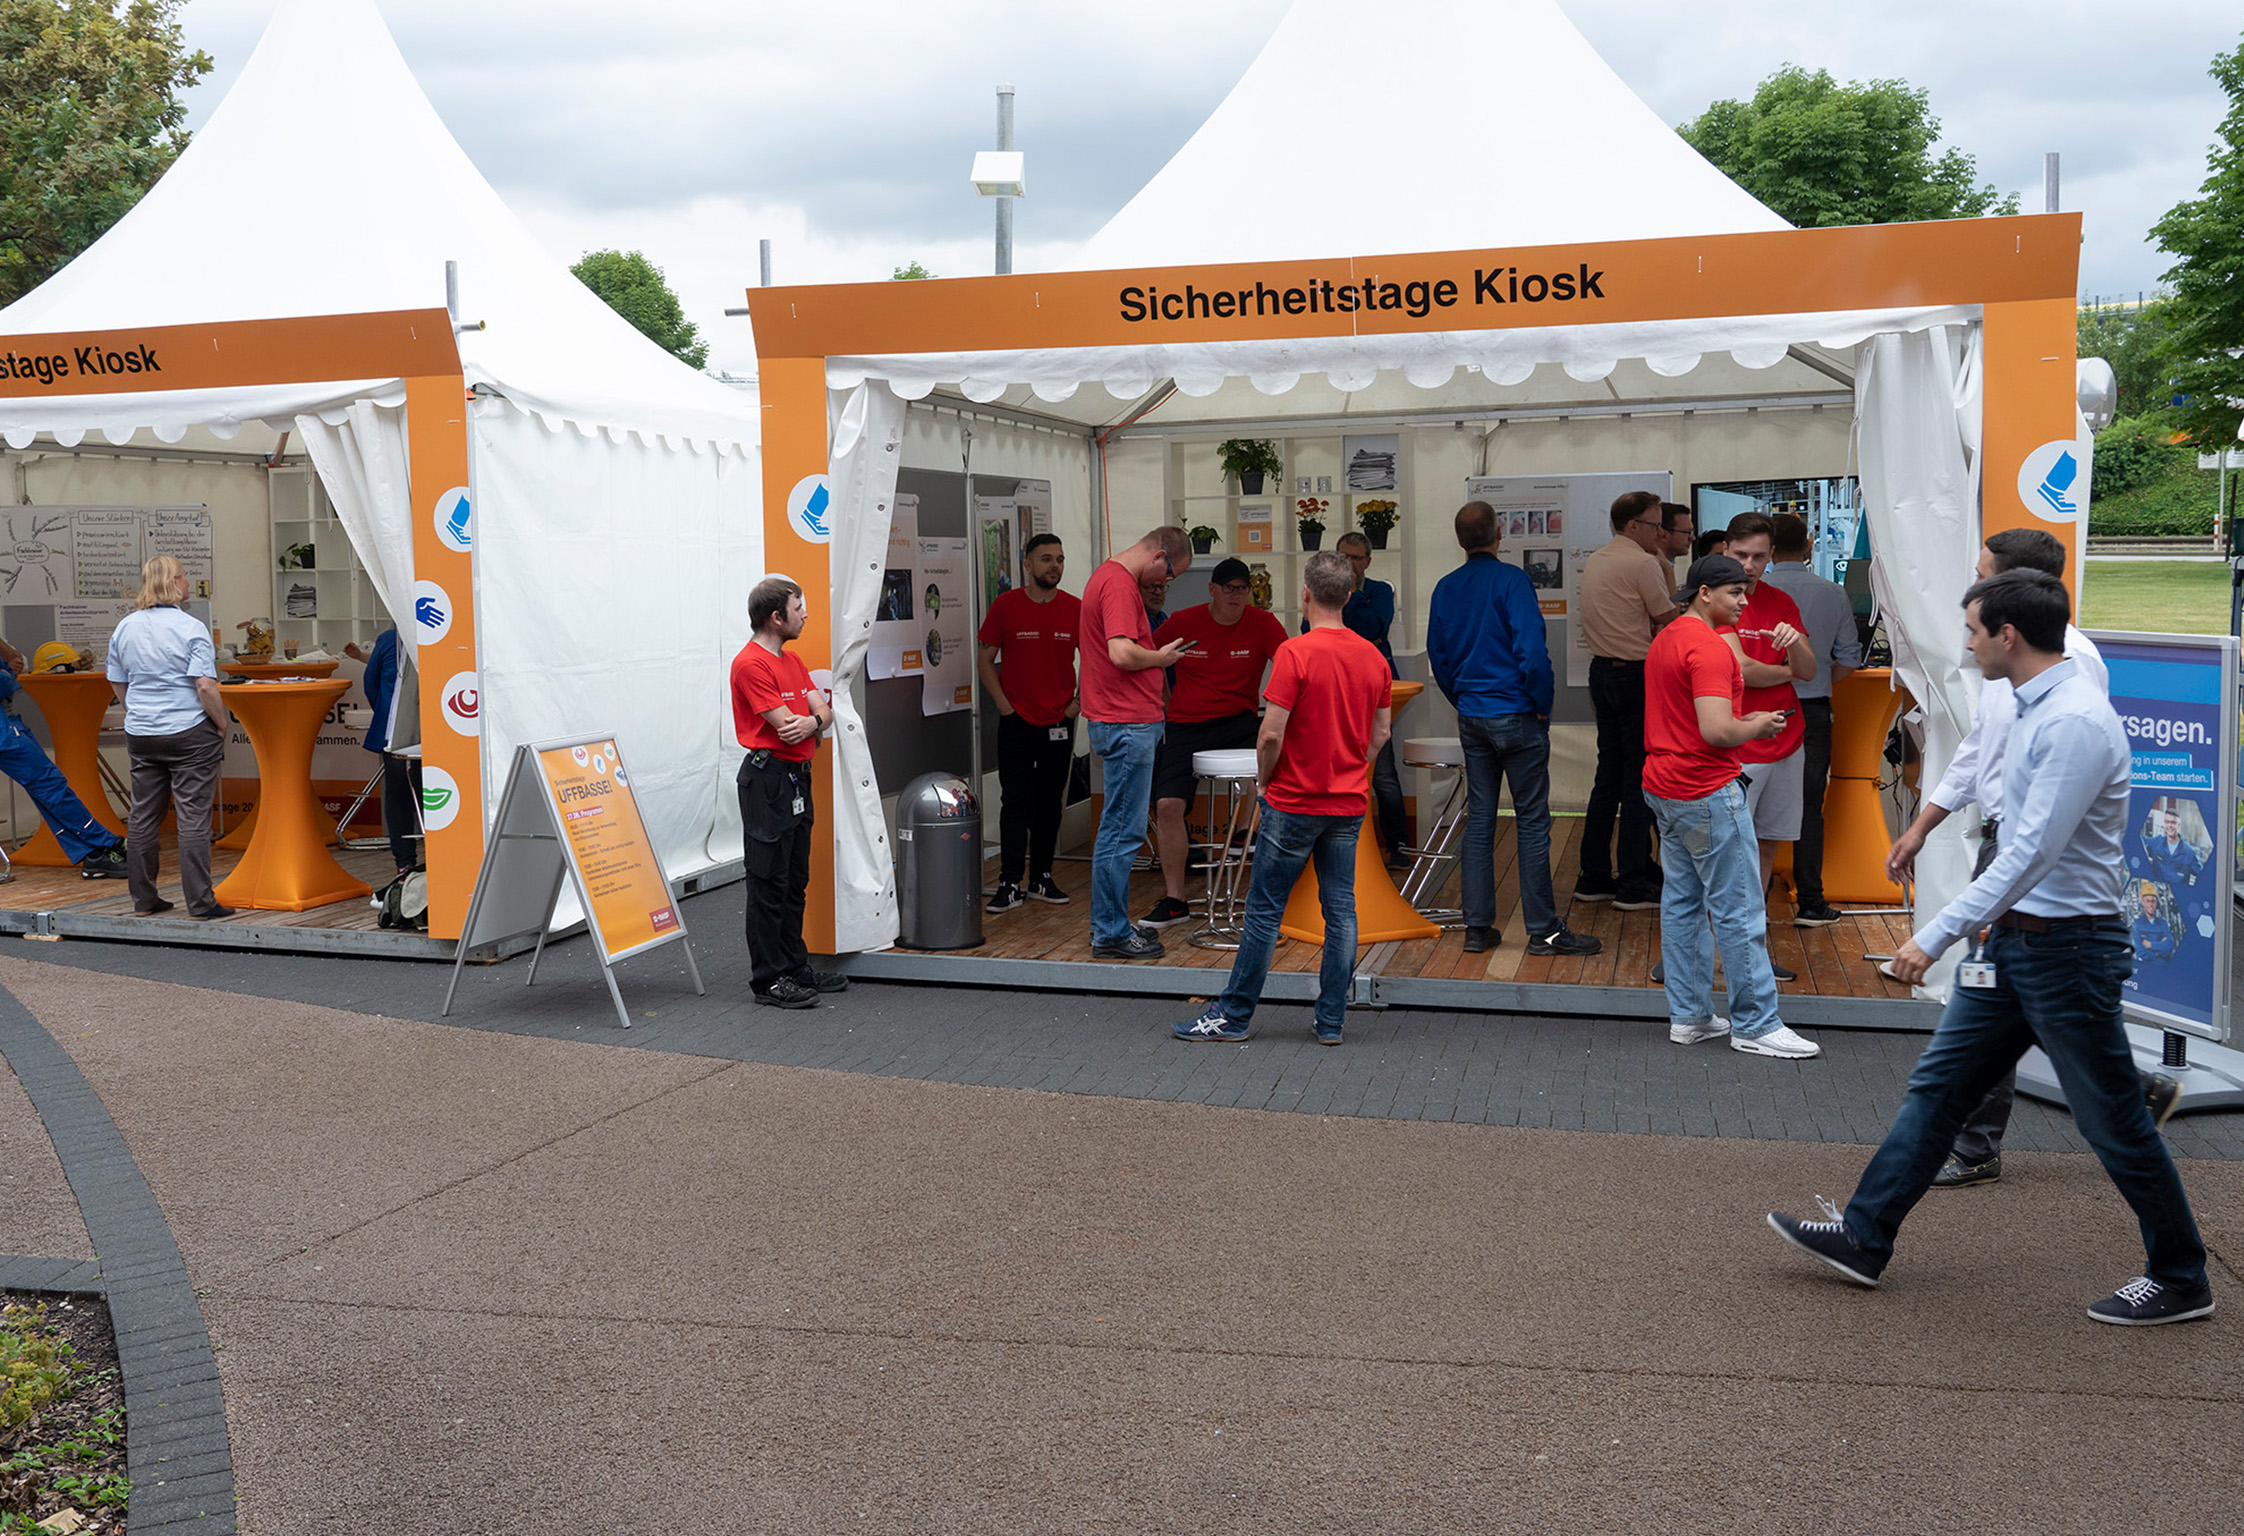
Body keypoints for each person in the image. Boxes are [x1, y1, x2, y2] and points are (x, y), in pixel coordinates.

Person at [1769, 570, 2213, 1327]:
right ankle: (1864, 1237)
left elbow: (2030, 851)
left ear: (2008, 635)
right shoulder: (2035, 702)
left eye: (1973, 630)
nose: (1967, 644)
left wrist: (1934, 935)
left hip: (2067, 950)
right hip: (2020, 941)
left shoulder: (2073, 721)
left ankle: (2181, 1277)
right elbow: (2004, 813)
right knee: (1941, 1089)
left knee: (2113, 1120)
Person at [1883, 528, 2173, 1187]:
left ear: (2011, 596)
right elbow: (1980, 752)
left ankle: (1974, 1146)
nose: (1973, 588)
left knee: (2006, 998)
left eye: (1983, 574)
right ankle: (2125, 1092)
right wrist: (1924, 823)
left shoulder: (2070, 673)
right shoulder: (2003, 664)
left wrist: (1933, 935)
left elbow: (2049, 822)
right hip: (2009, 852)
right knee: (2013, 1002)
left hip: (2035, 871)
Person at [1171, 551, 1392, 1046]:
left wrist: (1265, 781)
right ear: (1349, 596)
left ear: (1306, 594)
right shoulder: (1373, 657)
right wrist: (1354, 766)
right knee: (1341, 910)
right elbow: (1381, 733)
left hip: (1294, 800)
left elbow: (1271, 733)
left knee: (1265, 910)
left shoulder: (1296, 653)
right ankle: (1331, 1020)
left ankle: (1234, 1015)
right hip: (1347, 802)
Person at [1643, 552, 1819, 1058]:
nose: (1745, 600)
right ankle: (1756, 1024)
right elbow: (1718, 730)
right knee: (1739, 908)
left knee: (1683, 903)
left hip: (1666, 785)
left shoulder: (1668, 637)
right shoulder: (1710, 648)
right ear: (1705, 594)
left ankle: (1691, 1017)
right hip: (1705, 787)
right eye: (1735, 592)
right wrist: (1758, 725)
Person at [1427, 501, 1602, 959]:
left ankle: (1477, 927)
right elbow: (1533, 653)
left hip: (1473, 715)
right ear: (1499, 533)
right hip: (1517, 714)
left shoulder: (1445, 588)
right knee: (1531, 822)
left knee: (1481, 821)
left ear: (1460, 539)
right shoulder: (1512, 581)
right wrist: (1541, 706)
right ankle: (1543, 930)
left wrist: (1464, 701)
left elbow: (1438, 657)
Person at [1141, 558, 1287, 929]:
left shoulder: (1263, 623)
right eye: (1228, 588)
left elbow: (1290, 666)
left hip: (1238, 720)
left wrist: (1278, 706)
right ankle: (1175, 900)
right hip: (1185, 725)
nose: (1236, 595)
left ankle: (1244, 833)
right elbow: (1145, 656)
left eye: (1243, 589)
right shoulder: (1184, 622)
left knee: (1272, 746)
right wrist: (1161, 698)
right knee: (1167, 806)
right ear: (1212, 590)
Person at [730, 576, 846, 1009]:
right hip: (768, 781)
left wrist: (814, 723)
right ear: (776, 617)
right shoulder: (750, 664)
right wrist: (813, 723)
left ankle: (794, 967)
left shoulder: (792, 661)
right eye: (799, 608)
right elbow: (786, 727)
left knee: (795, 879)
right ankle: (768, 980)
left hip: (796, 778)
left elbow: (822, 715)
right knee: (768, 882)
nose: (805, 615)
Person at [1079, 528, 1193, 961]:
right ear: (1160, 555)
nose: (1165, 584)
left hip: (1124, 720)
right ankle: (1110, 933)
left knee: (1120, 830)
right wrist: (1162, 658)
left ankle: (1110, 927)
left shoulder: (1112, 579)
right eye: (1169, 575)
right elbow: (1122, 653)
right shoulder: (1118, 584)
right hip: (1126, 721)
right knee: (1122, 833)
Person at [1717, 513, 1815, 981]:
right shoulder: (1716, 603)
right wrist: (1788, 670)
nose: (1749, 565)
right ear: (1725, 550)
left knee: (1766, 846)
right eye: (1741, 555)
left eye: (1759, 556)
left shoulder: (1781, 600)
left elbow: (1810, 669)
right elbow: (1743, 672)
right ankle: (1713, 953)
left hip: (1785, 741)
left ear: (1772, 555)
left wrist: (1795, 649)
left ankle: (1749, 952)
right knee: (1727, 853)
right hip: (1738, 746)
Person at [105, 555, 230, 917]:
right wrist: (221, 722)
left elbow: (116, 679)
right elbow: (205, 685)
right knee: (193, 818)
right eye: (184, 576)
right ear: (174, 582)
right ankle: (201, 903)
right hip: (189, 731)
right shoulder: (190, 627)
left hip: (142, 733)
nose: (187, 582)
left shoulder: (125, 627)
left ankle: (144, 900)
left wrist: (136, 710)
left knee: (143, 815)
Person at [1574, 489, 1678, 910]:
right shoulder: (1643, 563)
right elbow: (1668, 617)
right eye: (1655, 525)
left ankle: (1594, 875)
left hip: (1601, 672)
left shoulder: (1597, 559)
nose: (1660, 532)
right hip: (1636, 675)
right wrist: (1667, 570)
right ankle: (1634, 881)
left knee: (1608, 775)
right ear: (1633, 526)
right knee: (1639, 778)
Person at [1758, 513, 1862, 927]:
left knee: (1748, 805)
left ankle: (1752, 903)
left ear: (1769, 549)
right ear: (1809, 545)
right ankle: (1811, 902)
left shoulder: (1755, 594)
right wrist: (1815, 679)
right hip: (1812, 708)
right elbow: (1849, 658)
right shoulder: (1832, 592)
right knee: (1808, 805)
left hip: (1759, 707)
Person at [976, 534, 1080, 914]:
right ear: (1028, 564)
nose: (1055, 566)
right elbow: (984, 658)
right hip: (1016, 720)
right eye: (1046, 558)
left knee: (1051, 801)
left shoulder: (1076, 608)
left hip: (1059, 720)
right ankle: (1009, 882)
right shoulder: (1006, 606)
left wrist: (1077, 705)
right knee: (1015, 800)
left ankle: (1041, 878)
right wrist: (1004, 706)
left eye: (1060, 559)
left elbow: (1096, 660)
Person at [1309, 531, 1408, 860]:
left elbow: (1374, 628)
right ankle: (1334, 846)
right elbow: (1311, 630)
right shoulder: (1323, 591)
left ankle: (1398, 846)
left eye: (1356, 558)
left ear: (1368, 561)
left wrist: (1350, 596)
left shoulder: (1380, 591)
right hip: (1333, 687)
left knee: (1383, 773)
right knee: (1332, 768)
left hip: (1373, 687)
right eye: (1344, 557)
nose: (1349, 563)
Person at [0, 638, 127, 878]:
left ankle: (94, 852)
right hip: (5, 733)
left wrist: (7, 672)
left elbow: (17, 664)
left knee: (47, 789)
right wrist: (6, 674)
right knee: (50, 786)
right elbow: (6, 681)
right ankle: (103, 844)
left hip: (8, 724)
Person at [343, 628, 421, 885]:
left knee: (398, 795)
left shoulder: (389, 639)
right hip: (436, 730)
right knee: (433, 794)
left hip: (395, 733)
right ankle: (442, 856)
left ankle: (404, 863)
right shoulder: (442, 635)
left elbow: (371, 682)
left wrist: (386, 714)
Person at [2132, 882, 2179, 964]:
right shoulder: (2138, 924)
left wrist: (2150, 944)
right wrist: (2159, 950)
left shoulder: (2163, 924)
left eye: (2153, 901)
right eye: (2147, 901)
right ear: (2143, 902)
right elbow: (2140, 951)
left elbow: (2169, 947)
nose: (2151, 904)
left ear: (2157, 902)